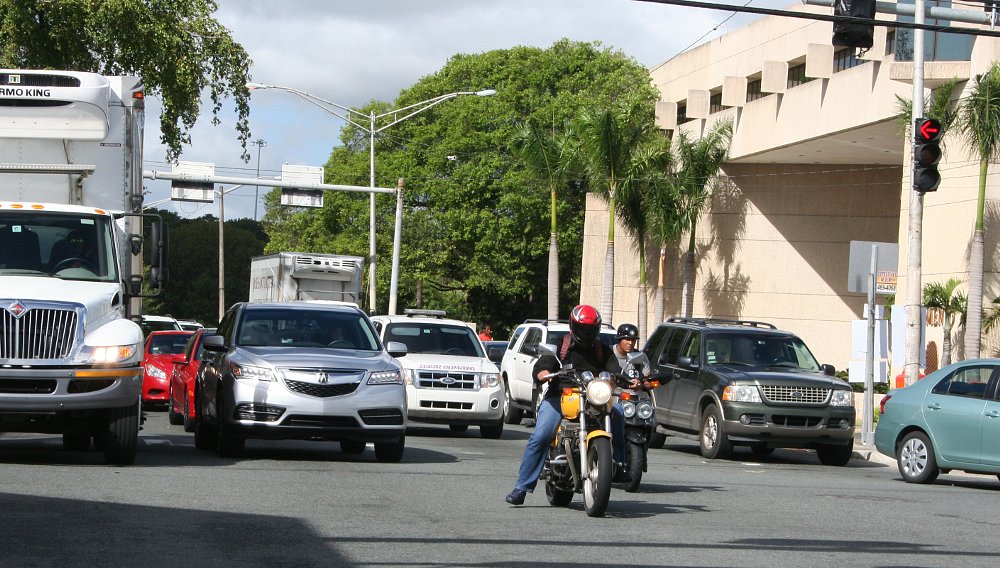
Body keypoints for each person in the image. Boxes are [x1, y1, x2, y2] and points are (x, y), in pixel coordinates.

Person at [505, 305, 622, 506]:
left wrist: (622, 377)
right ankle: (521, 487)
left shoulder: (602, 348)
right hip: (560, 396)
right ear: (573, 326)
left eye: (590, 329)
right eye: (582, 328)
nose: (586, 333)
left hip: (592, 396)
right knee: (540, 435)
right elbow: (545, 362)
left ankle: (620, 465)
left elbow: (614, 369)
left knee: (618, 413)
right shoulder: (563, 344)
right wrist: (542, 372)